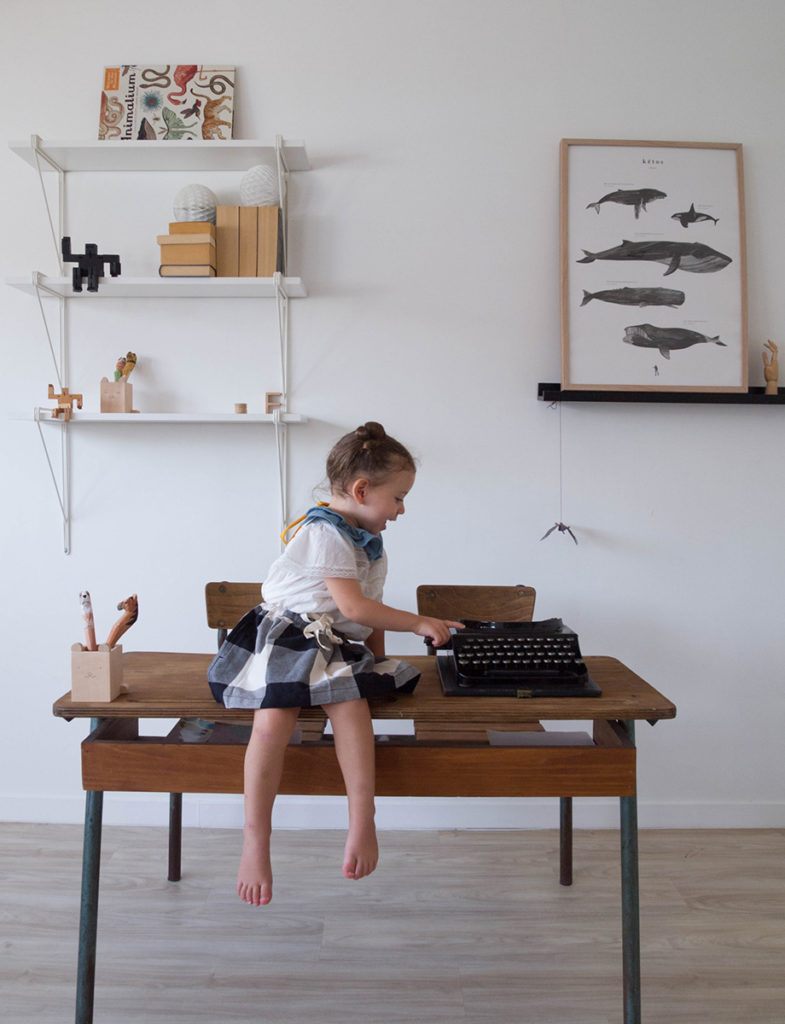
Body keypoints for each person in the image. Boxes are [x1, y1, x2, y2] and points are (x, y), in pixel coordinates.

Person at [208, 421, 463, 906]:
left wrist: (379, 663)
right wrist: (419, 622)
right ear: (362, 490)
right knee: (273, 720)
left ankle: (362, 820)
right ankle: (255, 840)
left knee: (353, 710)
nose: (402, 509)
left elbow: (370, 605)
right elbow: (352, 608)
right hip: (286, 636)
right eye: (399, 497)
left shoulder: (368, 539)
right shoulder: (325, 533)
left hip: (333, 643)